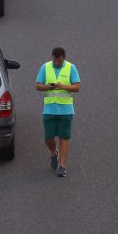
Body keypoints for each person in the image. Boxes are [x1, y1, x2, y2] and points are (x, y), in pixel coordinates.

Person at [35, 47, 80, 177]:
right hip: (49, 109)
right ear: (52, 57)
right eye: (55, 60)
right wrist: (48, 87)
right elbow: (37, 85)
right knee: (48, 138)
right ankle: (54, 152)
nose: (57, 63)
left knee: (64, 137)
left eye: (59, 61)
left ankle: (62, 166)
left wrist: (62, 86)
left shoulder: (71, 68)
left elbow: (77, 87)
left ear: (64, 58)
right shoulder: (45, 67)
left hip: (66, 110)